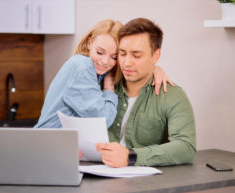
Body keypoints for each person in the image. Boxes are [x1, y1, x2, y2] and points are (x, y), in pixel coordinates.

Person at [35, 19, 172, 129]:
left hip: (62, 147)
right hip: (47, 147)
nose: (105, 61)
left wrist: (155, 69)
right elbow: (103, 120)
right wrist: (108, 88)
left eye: (114, 57)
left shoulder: (98, 73)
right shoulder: (82, 67)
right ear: (89, 43)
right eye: (100, 52)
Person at [96, 18, 196, 167]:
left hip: (145, 184)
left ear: (155, 56)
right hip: (95, 177)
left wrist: (131, 157)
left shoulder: (173, 96)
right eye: (122, 54)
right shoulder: (100, 86)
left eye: (136, 55)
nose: (127, 62)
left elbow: (186, 147)